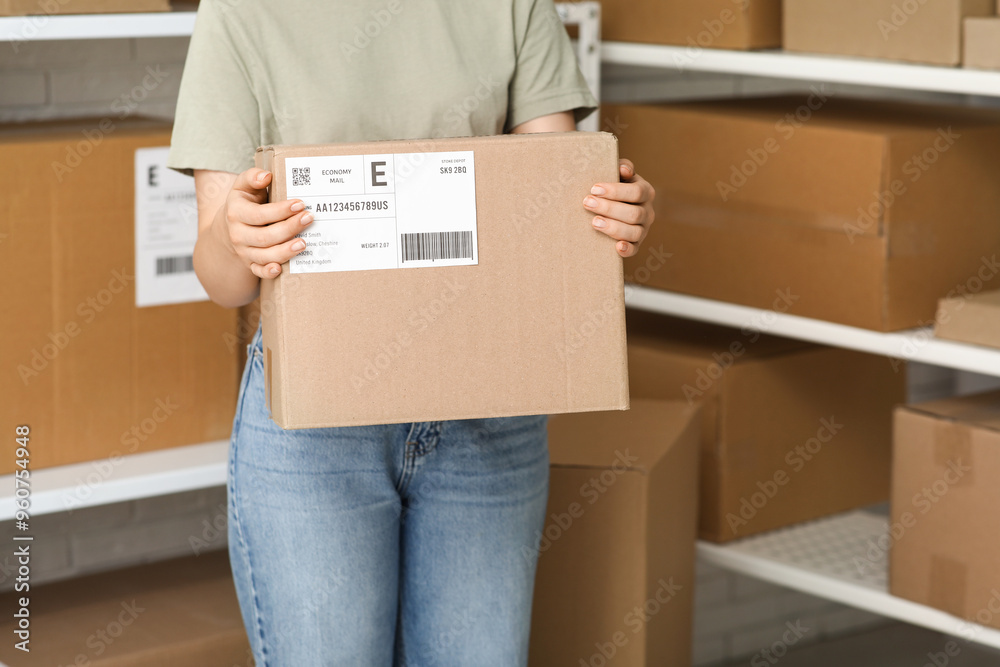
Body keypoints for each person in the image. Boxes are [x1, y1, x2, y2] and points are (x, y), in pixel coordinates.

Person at [167, 1, 655, 665]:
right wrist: (234, 236)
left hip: (488, 402)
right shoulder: (243, 12)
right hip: (314, 423)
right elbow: (224, 280)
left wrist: (610, 213)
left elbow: (554, 197)